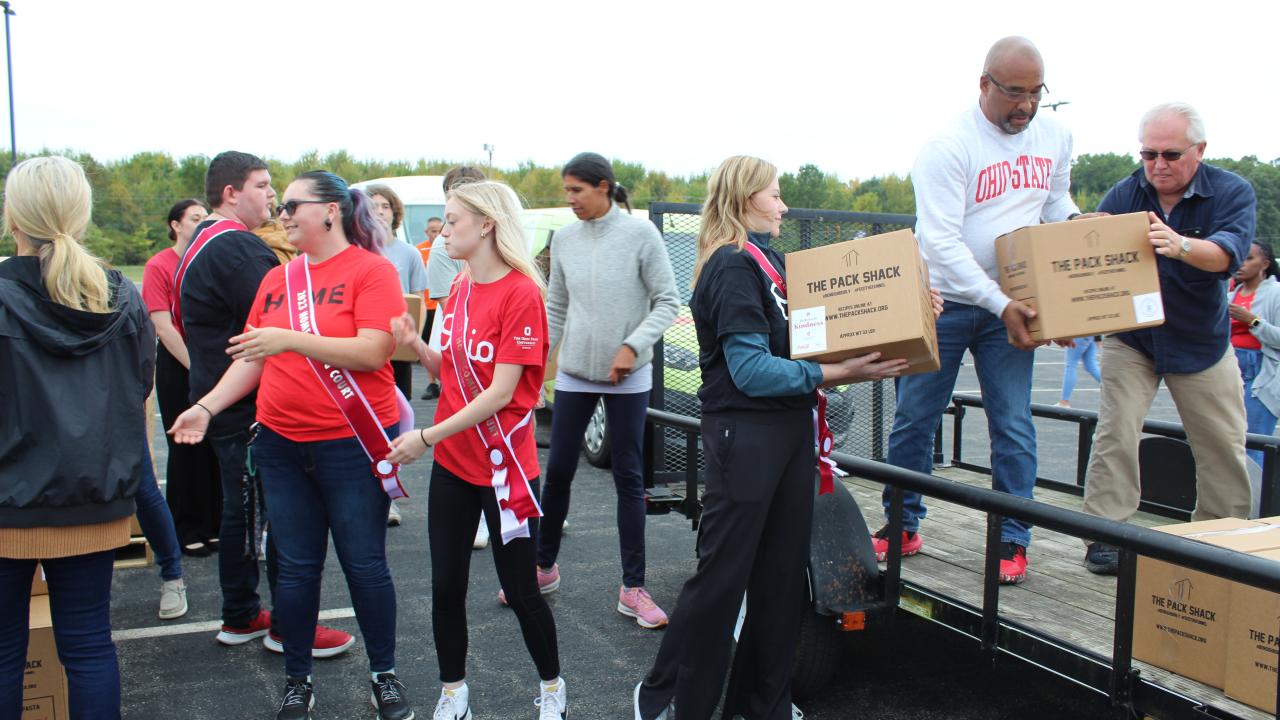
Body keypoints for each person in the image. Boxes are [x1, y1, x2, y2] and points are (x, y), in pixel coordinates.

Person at [633, 156, 921, 720]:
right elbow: (752, 371)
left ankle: (762, 704)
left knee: (781, 578)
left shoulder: (771, 262)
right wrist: (838, 374)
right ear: (745, 198)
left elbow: (818, 337)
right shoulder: (733, 266)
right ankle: (667, 697)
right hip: (748, 434)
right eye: (775, 195)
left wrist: (907, 316)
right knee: (723, 577)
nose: (784, 206)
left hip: (787, 433)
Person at [172, 171, 412, 720]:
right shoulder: (278, 278)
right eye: (280, 206)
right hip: (281, 445)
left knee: (365, 565)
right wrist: (206, 407)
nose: (282, 214)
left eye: (293, 205)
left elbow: (373, 352)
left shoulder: (371, 271)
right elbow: (253, 357)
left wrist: (289, 339)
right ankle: (297, 680)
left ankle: (385, 675)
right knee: (297, 568)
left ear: (330, 211)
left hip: (351, 444)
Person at [876, 37, 1084, 585]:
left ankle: (1013, 540)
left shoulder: (1056, 135)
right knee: (915, 418)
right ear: (984, 84)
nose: (1026, 106)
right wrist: (1001, 302)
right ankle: (902, 522)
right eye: (1014, 93)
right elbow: (941, 242)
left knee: (1013, 422)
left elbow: (1056, 204)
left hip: (1012, 304)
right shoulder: (948, 146)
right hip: (943, 300)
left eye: (1036, 93)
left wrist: (1080, 254)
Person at [386, 180, 567, 720]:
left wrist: (424, 436)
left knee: (521, 590)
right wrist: (418, 345)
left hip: (504, 467)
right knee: (446, 588)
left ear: (486, 223)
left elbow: (501, 393)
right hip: (453, 467)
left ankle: (553, 687)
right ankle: (453, 692)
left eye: (452, 219)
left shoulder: (521, 293)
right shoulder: (460, 288)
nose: (442, 231)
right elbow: (453, 373)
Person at [173, 151, 353, 657]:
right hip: (246, 403)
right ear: (231, 193)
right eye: (263, 186)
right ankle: (288, 626)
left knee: (242, 513)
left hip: (217, 392)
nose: (275, 199)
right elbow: (288, 327)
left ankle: (244, 613)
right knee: (277, 519)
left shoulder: (202, 241)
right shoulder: (241, 252)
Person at [0, 156, 154, 720]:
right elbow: (139, 390)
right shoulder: (120, 296)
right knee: (89, 645)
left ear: (12, 215)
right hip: (93, 494)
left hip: (8, 501)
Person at [1082, 102, 1257, 574]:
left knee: (1222, 443)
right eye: (1148, 154)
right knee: (1116, 432)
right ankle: (1105, 535)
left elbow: (1228, 255)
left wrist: (1177, 244)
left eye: (1171, 154)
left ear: (1200, 150)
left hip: (1201, 341)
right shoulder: (1125, 192)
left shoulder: (1231, 191)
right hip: (1133, 338)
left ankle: (1220, 540)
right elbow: (1089, 261)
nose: (1157, 165)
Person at [524, 152, 679, 626]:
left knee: (629, 478)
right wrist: (538, 369)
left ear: (604, 187)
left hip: (629, 377)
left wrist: (633, 346)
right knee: (560, 473)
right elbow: (556, 308)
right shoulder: (565, 239)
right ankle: (543, 569)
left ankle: (633, 588)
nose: (569, 199)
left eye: (577, 190)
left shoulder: (641, 235)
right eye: (567, 190)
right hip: (574, 373)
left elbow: (668, 301)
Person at [144, 198, 222, 558]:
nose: (202, 223)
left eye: (206, 217)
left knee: (214, 446)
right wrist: (197, 365)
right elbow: (162, 324)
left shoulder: (208, 259)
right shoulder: (160, 264)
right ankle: (187, 526)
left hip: (213, 361)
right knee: (185, 446)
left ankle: (214, 523)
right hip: (181, 364)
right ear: (175, 225)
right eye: (195, 218)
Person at [425, 166, 493, 549]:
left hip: (487, 341)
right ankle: (479, 516)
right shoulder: (442, 248)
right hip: (462, 339)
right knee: (467, 427)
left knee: (503, 429)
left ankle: (512, 501)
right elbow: (451, 309)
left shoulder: (504, 251)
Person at [367, 184, 429, 529]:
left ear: (394, 213)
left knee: (395, 420)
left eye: (385, 206)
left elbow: (418, 303)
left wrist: (414, 342)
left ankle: (389, 493)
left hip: (397, 352)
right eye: (372, 206)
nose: (379, 211)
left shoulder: (407, 253)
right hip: (363, 348)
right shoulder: (358, 250)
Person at [1229, 241, 1280, 468]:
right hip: (1230, 367)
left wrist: (1253, 320)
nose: (1241, 263)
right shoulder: (1231, 294)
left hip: (1261, 371)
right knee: (1229, 442)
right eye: (1238, 257)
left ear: (1265, 264)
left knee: (1254, 444)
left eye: (1249, 258)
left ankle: (1258, 502)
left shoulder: (1276, 293)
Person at [415, 216, 444, 398]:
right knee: (427, 343)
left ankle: (444, 380)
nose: (436, 234)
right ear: (427, 232)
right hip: (427, 304)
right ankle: (431, 383)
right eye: (432, 231)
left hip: (441, 304)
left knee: (440, 343)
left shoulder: (448, 247)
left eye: (438, 230)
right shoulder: (419, 250)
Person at [1057, 336, 1101, 408]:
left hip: (1080, 333)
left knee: (1071, 364)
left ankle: (1064, 402)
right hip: (1092, 334)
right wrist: (1098, 338)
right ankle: (1112, 388)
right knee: (1091, 366)